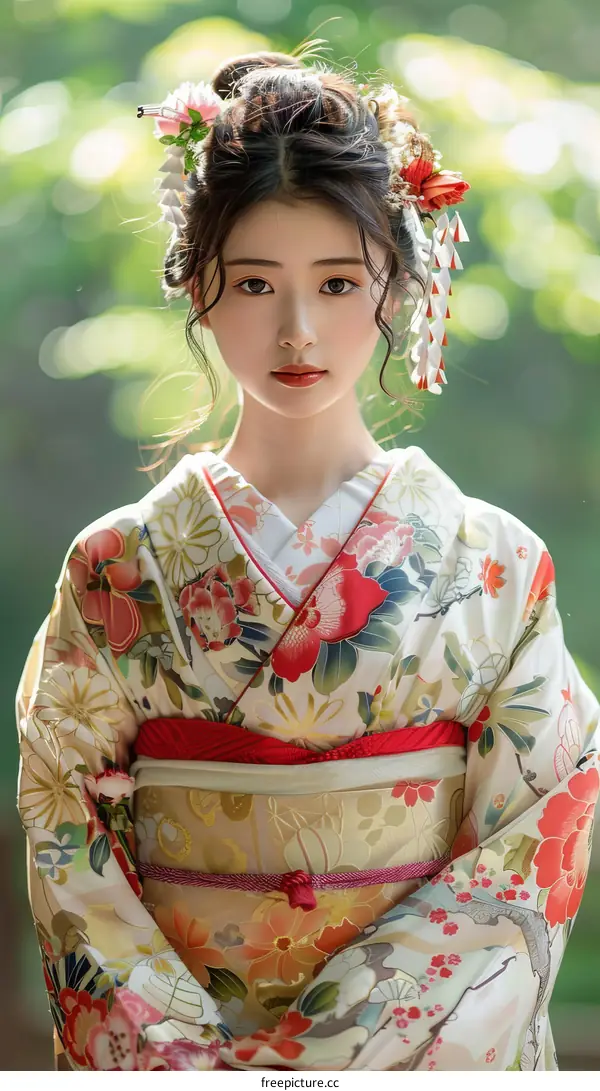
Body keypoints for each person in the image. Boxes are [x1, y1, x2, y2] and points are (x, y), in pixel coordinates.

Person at [15, 48, 599, 1072]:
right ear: (197, 285)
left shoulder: (498, 564)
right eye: (254, 282)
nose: (297, 328)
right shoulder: (115, 567)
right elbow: (68, 825)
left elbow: (533, 836)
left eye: (337, 281)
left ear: (397, 288)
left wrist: (335, 1058)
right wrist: (190, 1060)